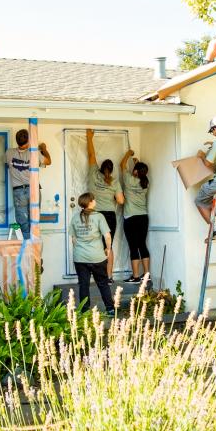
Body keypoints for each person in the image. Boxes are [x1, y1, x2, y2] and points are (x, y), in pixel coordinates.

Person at [86, 129, 125, 284]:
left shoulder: (94, 174)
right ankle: (108, 278)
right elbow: (121, 201)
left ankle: (96, 277)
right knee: (108, 245)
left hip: (95, 215)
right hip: (109, 215)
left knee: (95, 245)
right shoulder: (114, 181)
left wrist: (89, 137)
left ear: (100, 168)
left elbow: (91, 155)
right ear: (112, 170)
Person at [70, 192, 115, 316]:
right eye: (94, 199)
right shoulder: (99, 216)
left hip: (80, 258)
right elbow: (107, 235)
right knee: (102, 283)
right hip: (97, 257)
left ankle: (84, 311)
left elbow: (73, 239)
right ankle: (110, 309)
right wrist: (108, 249)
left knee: (83, 284)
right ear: (89, 202)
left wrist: (80, 249)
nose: (95, 201)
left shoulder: (75, 217)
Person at [4, 129, 51, 239]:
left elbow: (6, 163)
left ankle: (26, 246)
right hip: (33, 189)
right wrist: (43, 148)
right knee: (34, 219)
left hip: (18, 191)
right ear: (29, 141)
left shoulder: (9, 152)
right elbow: (48, 161)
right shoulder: (34, 153)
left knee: (22, 221)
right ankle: (34, 246)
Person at [120, 150, 150, 284]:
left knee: (133, 246)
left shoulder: (129, 180)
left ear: (136, 172)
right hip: (143, 217)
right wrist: (137, 163)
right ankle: (147, 275)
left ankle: (136, 276)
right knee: (142, 245)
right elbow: (140, 173)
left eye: (135, 170)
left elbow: (122, 165)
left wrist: (128, 154)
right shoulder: (145, 182)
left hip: (131, 218)